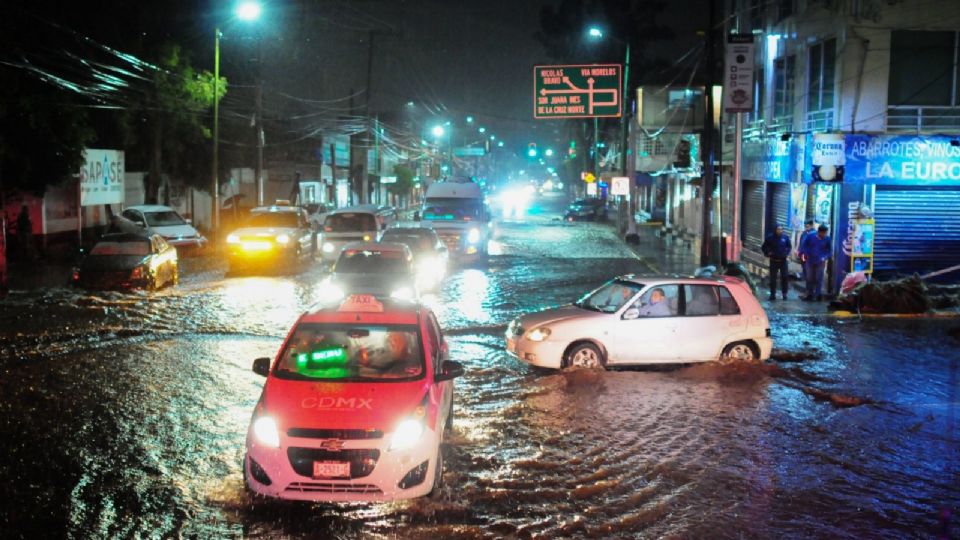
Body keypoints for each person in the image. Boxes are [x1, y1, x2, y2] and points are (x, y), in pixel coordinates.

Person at [800, 225, 832, 301]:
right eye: (823, 233)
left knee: (819, 278)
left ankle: (817, 295)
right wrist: (806, 254)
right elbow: (804, 246)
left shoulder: (827, 239)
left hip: (820, 262)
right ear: (819, 232)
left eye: (826, 233)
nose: (824, 235)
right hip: (810, 260)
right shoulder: (810, 236)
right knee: (809, 278)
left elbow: (830, 251)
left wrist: (825, 257)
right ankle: (809, 294)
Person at [761, 224, 792, 301]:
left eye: (781, 229)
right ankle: (772, 294)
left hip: (783, 261)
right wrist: (768, 253)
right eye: (778, 229)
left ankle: (784, 294)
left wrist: (786, 253)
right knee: (773, 279)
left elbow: (789, 246)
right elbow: (764, 247)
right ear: (775, 230)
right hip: (774, 261)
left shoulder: (785, 237)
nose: (780, 231)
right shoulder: (770, 238)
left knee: (784, 277)